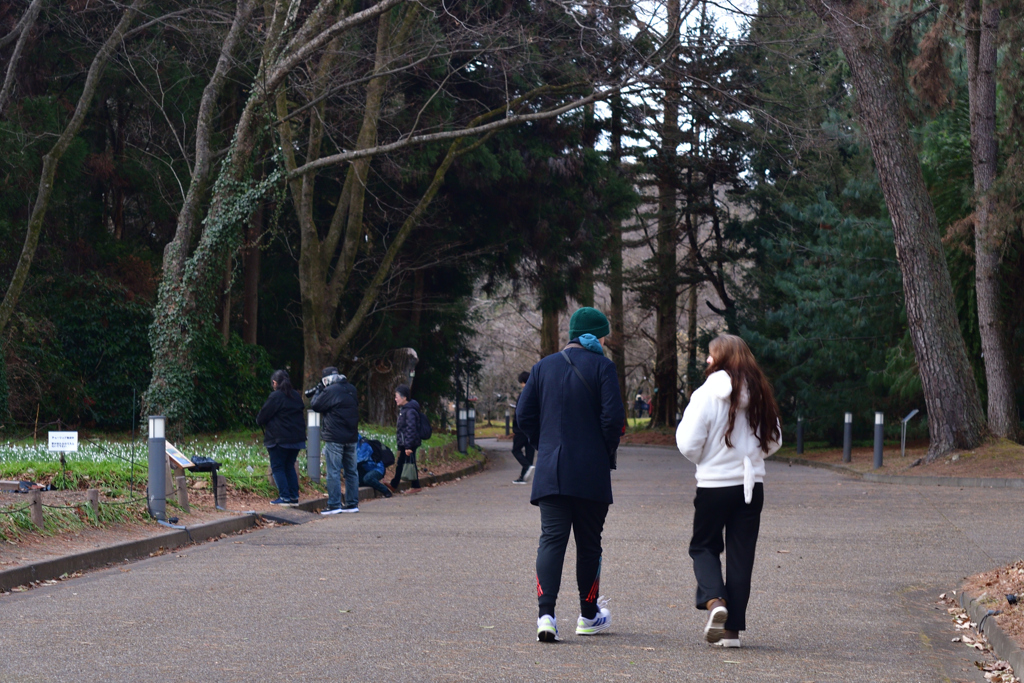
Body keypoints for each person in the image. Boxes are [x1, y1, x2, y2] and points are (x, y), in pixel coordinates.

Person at [516, 306, 625, 642]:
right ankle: (588, 615)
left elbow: (524, 415)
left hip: (551, 470)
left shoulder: (542, 367)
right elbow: (614, 421)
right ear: (597, 334)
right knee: (589, 545)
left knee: (551, 540)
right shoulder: (604, 368)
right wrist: (602, 451)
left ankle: (545, 616)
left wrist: (544, 445)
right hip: (590, 472)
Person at [675, 334, 782, 648]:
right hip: (752, 486)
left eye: (710, 355)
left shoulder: (707, 393)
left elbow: (688, 442)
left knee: (703, 547)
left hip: (714, 485)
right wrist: (751, 457)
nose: (707, 361)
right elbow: (775, 438)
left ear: (720, 358)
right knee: (741, 556)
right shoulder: (761, 391)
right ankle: (731, 632)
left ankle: (714, 602)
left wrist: (707, 460)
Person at [310, 366, 361, 514]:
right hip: (351, 436)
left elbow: (315, 405)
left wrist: (319, 390)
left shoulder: (330, 390)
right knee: (351, 471)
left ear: (326, 380)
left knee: (333, 471)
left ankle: (334, 504)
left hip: (335, 437)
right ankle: (352, 503)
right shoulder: (351, 389)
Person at [255, 369, 306, 506]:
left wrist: (259, 421)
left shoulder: (276, 396)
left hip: (279, 439)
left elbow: (263, 415)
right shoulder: (296, 396)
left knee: (277, 467)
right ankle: (294, 496)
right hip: (297, 439)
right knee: (289, 465)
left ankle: (284, 497)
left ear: (275, 382)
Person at [390, 384, 424, 494]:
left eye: (397, 396)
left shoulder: (410, 411)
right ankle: (394, 484)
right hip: (406, 442)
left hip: (410, 442)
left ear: (404, 397)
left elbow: (411, 429)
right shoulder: (405, 409)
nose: (395, 399)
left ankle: (415, 486)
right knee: (402, 462)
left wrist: (408, 446)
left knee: (410, 462)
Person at [511, 371, 535, 485]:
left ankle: (527, 466)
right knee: (529, 451)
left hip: (521, 428)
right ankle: (523, 476)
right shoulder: (535, 393)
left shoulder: (524, 394)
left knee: (516, 449)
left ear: (523, 382)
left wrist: (515, 427)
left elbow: (519, 412)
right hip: (532, 427)